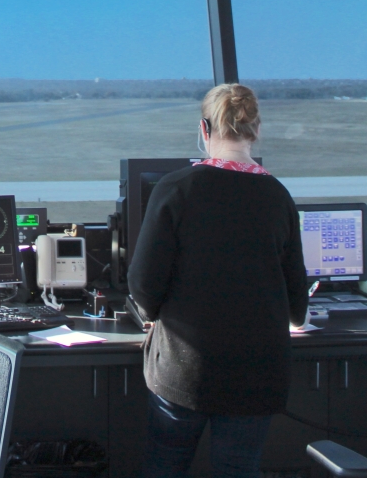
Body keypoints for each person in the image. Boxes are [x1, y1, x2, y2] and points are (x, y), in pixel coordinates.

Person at [128, 83, 309, 478]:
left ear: (204, 129)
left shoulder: (176, 189)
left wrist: (151, 314)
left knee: (165, 467)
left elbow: (143, 282)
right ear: (256, 130)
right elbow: (297, 299)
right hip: (257, 373)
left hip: (186, 370)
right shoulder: (279, 197)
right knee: (238, 469)